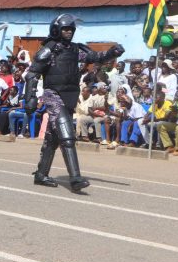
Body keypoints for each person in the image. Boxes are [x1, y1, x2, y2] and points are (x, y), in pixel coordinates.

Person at [24, 13, 124, 192]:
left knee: (52, 138)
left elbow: (95, 57)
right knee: (67, 135)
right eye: (65, 29)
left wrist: (111, 52)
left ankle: (41, 174)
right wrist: (30, 98)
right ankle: (75, 178)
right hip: (53, 94)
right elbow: (32, 74)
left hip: (70, 96)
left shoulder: (75, 49)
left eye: (71, 29)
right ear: (57, 30)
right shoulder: (48, 49)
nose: (69, 32)